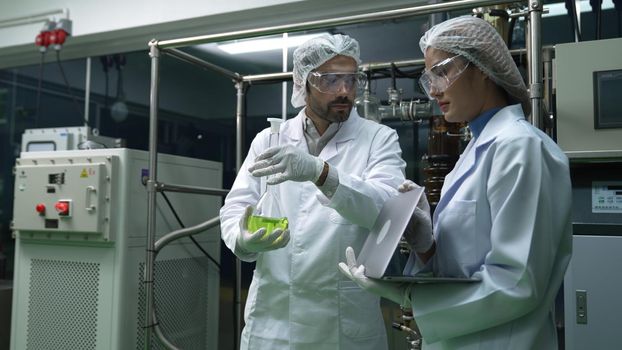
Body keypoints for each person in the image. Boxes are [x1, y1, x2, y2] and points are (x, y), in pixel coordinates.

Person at [339, 16, 572, 349]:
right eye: (428, 78)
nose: (433, 90)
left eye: (442, 72)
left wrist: (409, 299)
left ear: (482, 67)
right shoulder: (476, 150)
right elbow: (462, 265)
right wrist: (425, 246)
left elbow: (517, 283)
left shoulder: (522, 148)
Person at [220, 34, 407, 349]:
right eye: (331, 80)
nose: (345, 91)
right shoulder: (269, 140)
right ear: (303, 82)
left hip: (344, 327)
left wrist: (321, 173)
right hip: (274, 323)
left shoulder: (379, 139)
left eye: (352, 80)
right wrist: (243, 238)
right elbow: (236, 207)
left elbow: (387, 209)